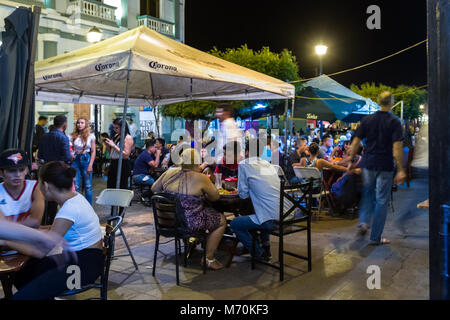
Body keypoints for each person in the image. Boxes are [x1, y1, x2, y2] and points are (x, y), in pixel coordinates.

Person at [10, 161, 103, 300]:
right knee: (23, 274)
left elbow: (42, 251)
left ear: (46, 185)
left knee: (24, 295)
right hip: (84, 259)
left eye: (39, 182)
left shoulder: (68, 209)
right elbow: (54, 232)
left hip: (82, 270)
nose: (38, 186)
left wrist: (8, 241)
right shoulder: (74, 197)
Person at [151, 148, 226, 270]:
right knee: (221, 220)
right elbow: (215, 197)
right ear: (197, 162)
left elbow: (154, 189)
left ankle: (192, 244)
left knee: (200, 213)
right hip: (188, 224)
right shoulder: (201, 178)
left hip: (166, 223)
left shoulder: (169, 173)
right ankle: (209, 258)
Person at [348, 91, 406, 245]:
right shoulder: (395, 122)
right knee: (381, 200)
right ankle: (375, 237)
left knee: (367, 194)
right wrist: (400, 169)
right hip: (385, 165)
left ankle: (364, 222)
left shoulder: (367, 120)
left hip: (368, 164)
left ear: (379, 101)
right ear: (391, 102)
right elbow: (397, 148)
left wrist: (351, 161)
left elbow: (355, 142)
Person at [230, 139, 280, 261]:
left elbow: (242, 195)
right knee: (259, 210)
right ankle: (266, 246)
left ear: (246, 151)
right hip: (283, 215)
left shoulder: (244, 164)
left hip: (269, 220)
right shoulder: (269, 164)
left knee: (234, 223)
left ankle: (258, 252)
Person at [37, 115, 72, 225]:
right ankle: (51, 223)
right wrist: (71, 157)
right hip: (57, 171)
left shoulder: (44, 136)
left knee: (44, 197)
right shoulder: (63, 137)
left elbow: (40, 155)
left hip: (46, 169)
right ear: (65, 124)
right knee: (55, 198)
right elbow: (67, 157)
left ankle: (44, 222)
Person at [0, 149, 45, 228]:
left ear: (26, 170)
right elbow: (3, 229)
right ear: (1, 173)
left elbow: (35, 222)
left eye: (21, 170)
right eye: (11, 170)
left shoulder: (35, 187)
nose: (17, 174)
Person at [69, 118, 96, 204]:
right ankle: (77, 206)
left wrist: (91, 164)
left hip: (86, 158)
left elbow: (93, 151)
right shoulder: (71, 136)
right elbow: (69, 148)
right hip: (75, 159)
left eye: (82, 123)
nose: (79, 124)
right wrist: (71, 153)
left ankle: (88, 207)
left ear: (86, 124)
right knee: (76, 186)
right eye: (78, 123)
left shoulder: (91, 136)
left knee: (88, 186)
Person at [104, 118, 134, 189]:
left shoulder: (127, 138)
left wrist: (113, 145)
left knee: (121, 186)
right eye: (114, 127)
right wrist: (108, 146)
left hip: (122, 164)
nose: (115, 130)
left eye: (117, 128)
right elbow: (112, 152)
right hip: (113, 162)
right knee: (111, 186)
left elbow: (126, 155)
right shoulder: (117, 136)